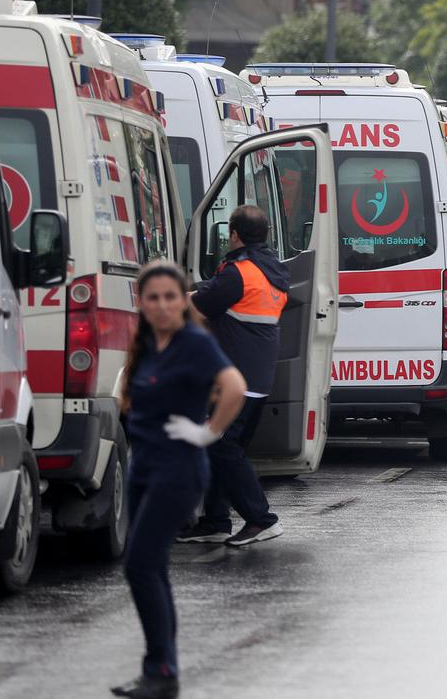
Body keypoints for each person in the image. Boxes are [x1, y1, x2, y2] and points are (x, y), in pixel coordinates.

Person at [114, 261, 247, 699]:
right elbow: (125, 393)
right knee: (150, 568)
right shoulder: (146, 341)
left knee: (139, 564)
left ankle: (162, 669)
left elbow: (234, 386)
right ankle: (161, 671)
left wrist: (207, 432)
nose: (163, 304)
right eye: (153, 297)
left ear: (182, 299)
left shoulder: (193, 342)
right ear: (142, 302)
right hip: (143, 467)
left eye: (171, 296)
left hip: (178, 471)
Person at [181, 206, 289, 546]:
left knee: (222, 447)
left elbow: (199, 303)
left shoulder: (238, 273)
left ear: (235, 236)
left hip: (236, 380)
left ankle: (261, 519)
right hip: (257, 379)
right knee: (224, 448)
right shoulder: (272, 271)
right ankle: (215, 521)